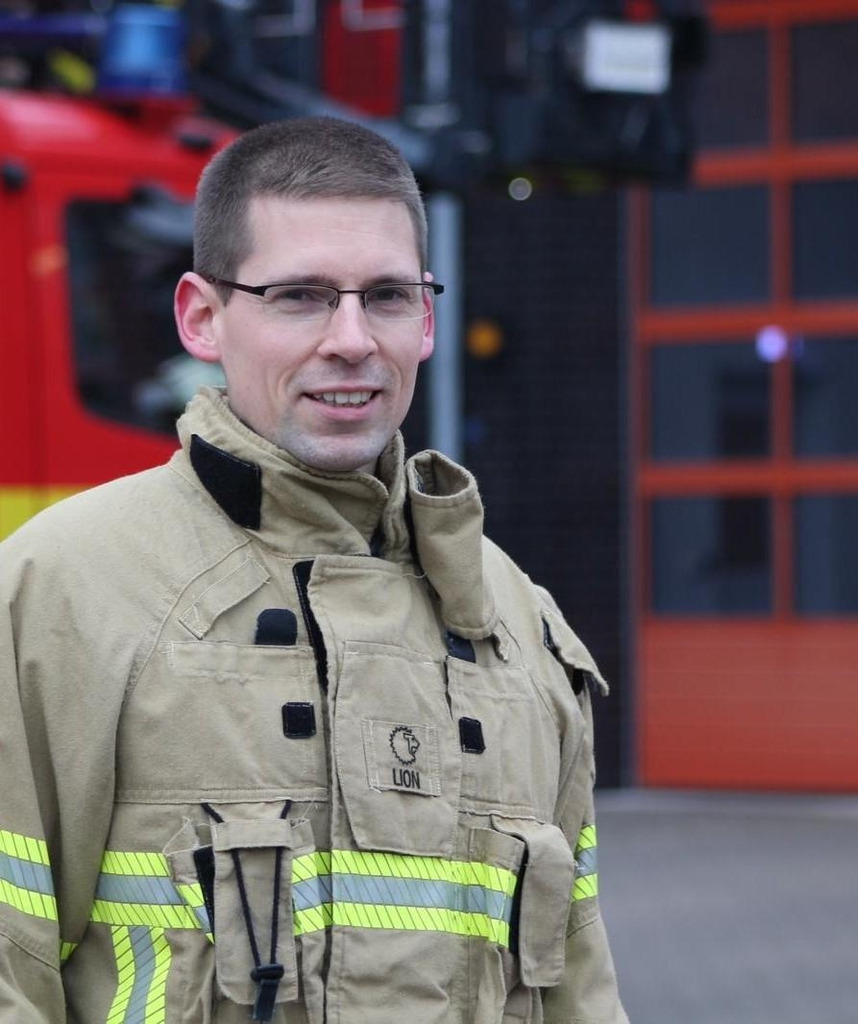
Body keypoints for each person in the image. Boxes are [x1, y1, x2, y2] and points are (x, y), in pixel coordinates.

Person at [0, 116, 628, 1023]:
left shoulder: (515, 623)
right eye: (300, 296)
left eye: (384, 296)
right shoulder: (56, 595)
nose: (350, 339)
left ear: (426, 321)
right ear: (201, 317)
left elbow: (578, 981)